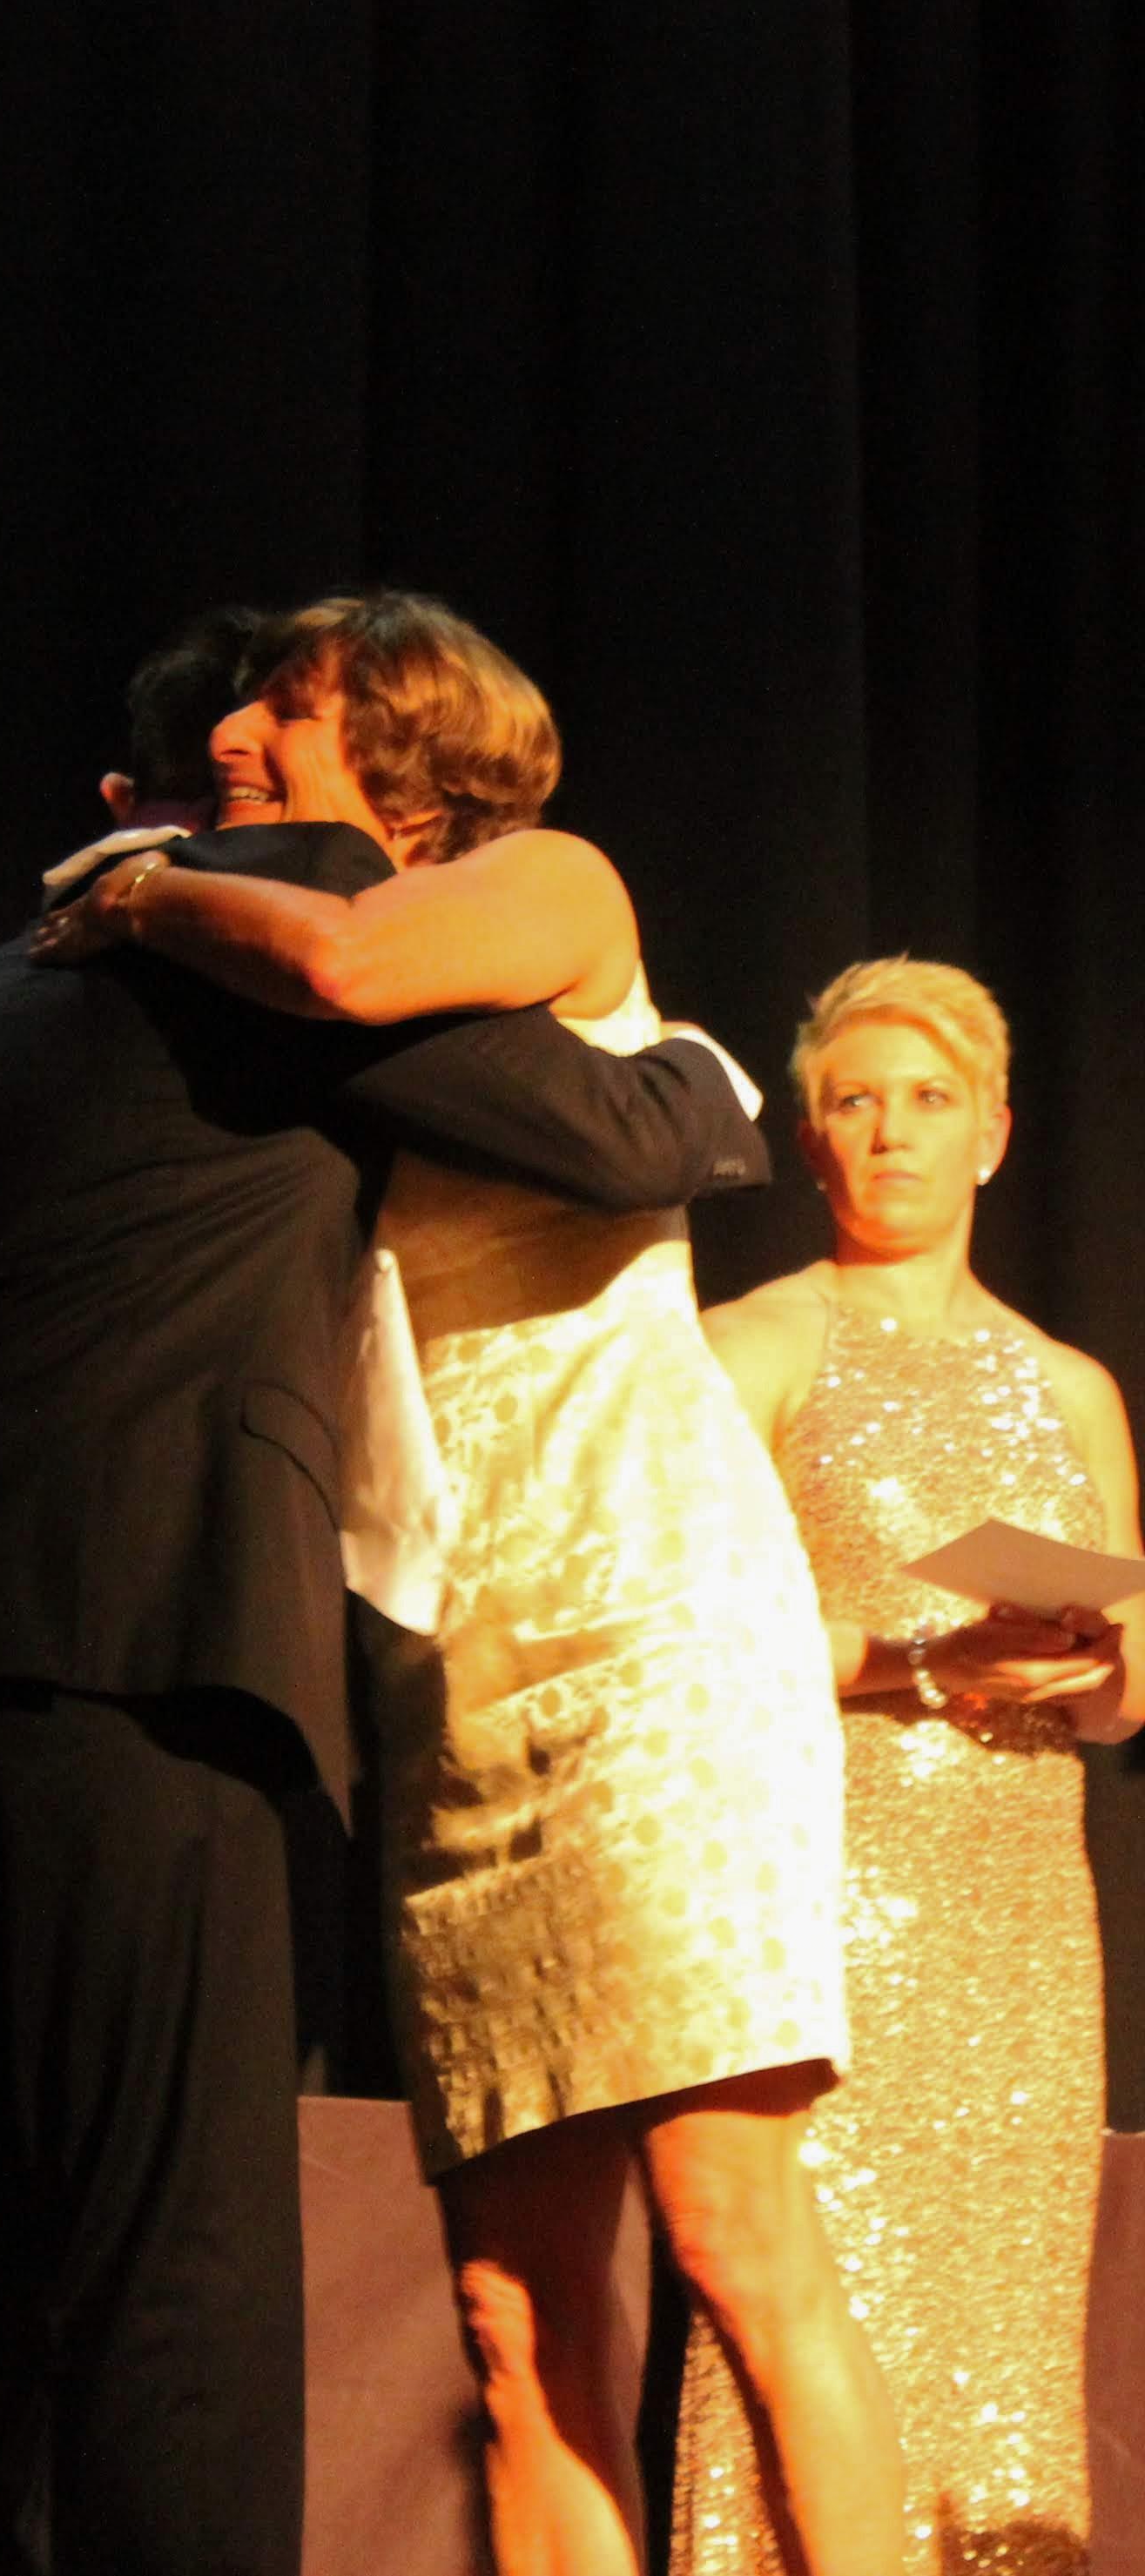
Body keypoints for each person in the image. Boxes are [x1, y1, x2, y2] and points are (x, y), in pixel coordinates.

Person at [0, 612, 773, 2576]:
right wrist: (714, 1089)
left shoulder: (15, 959)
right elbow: (615, 1134)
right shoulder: (267, 923)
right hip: (121, 1645)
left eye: (289, 706)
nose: (246, 734)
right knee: (171, 2276)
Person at [32, 589, 903, 2576]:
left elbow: (346, 961)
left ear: (402, 727)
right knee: (511, 2323)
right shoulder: (236, 976)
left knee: (733, 2234)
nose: (244, 726)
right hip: (459, 1655)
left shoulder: (546, 885)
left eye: (290, 699)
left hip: (654, 1618)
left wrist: (146, 893)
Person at [669, 958, 1143, 2576]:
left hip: (1020, 1914)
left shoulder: (1070, 1384)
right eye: (854, 1103)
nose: (891, 1134)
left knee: (1000, 2358)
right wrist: (913, 1657)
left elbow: (1130, 1689)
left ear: (996, 1135)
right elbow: (687, 1639)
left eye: (928, 1100)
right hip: (829, 1894)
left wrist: (1098, 1653)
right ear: (811, 1144)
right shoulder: (755, 1346)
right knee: (818, 2320)